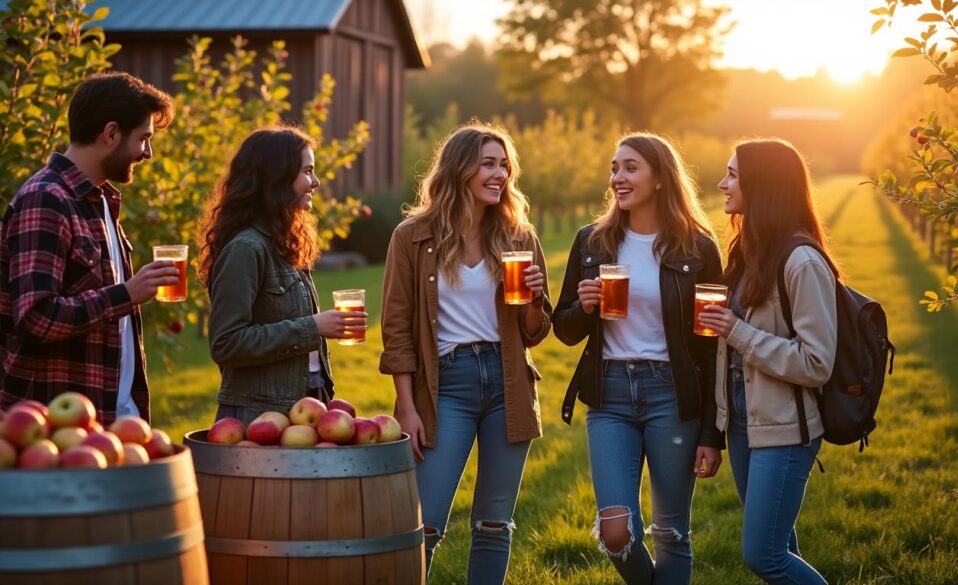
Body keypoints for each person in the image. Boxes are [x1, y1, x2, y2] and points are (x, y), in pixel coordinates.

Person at [379, 123, 551, 583]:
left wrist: (535, 299)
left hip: (508, 381)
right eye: (489, 164)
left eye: (504, 165)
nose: (500, 174)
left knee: (494, 522)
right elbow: (395, 327)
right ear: (459, 169)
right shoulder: (411, 236)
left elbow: (535, 335)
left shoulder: (519, 237)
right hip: (445, 385)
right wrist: (407, 405)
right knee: (426, 521)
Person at [552, 133, 723, 585]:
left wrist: (712, 432)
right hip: (609, 395)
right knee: (615, 532)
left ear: (661, 178)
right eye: (614, 168)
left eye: (630, 168)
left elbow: (711, 349)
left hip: (672, 394)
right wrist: (585, 307)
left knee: (671, 532)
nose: (617, 178)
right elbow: (564, 329)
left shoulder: (697, 248)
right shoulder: (592, 242)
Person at [0, 72, 178, 423]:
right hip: (55, 424)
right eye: (143, 139)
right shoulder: (46, 200)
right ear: (111, 133)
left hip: (110, 415)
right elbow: (35, 318)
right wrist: (125, 294)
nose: (148, 153)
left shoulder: (101, 203)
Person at [698, 139, 837, 585]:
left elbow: (817, 362)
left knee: (765, 555)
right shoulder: (746, 253)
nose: (722, 183)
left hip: (784, 430)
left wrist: (736, 332)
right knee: (782, 546)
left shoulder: (802, 261)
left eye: (733, 174)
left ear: (764, 184)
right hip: (743, 424)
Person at [198, 126, 366, 425]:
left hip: (307, 406)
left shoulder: (284, 244)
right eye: (307, 171)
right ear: (276, 178)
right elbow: (226, 343)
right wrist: (312, 326)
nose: (315, 181)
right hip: (260, 417)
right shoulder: (246, 249)